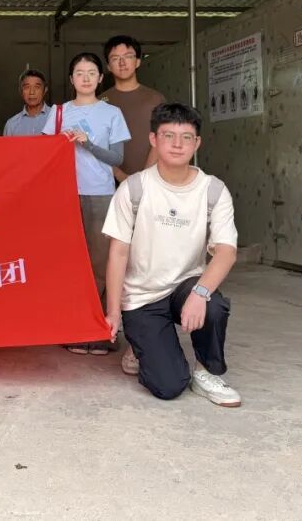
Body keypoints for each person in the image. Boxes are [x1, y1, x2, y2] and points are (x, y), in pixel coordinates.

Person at [102, 102, 241, 407]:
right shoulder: (134, 189)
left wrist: (200, 293)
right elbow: (118, 253)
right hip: (141, 297)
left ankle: (207, 372)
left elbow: (226, 252)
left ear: (197, 143)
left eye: (186, 137)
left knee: (213, 304)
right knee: (168, 385)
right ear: (154, 139)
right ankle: (140, 344)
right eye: (168, 135)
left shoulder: (213, 190)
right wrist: (113, 312)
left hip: (185, 287)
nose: (178, 144)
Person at [42, 52, 130, 355]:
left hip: (101, 193)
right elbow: (43, 153)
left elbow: (117, 158)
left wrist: (87, 143)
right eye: (79, 73)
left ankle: (102, 330)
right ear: (71, 79)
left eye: (92, 73)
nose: (86, 78)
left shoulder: (112, 113)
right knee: (69, 263)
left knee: (100, 263)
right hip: (65, 194)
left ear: (100, 77)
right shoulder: (58, 113)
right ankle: (74, 328)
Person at [101, 35, 165, 182]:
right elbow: (98, 144)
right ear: (108, 66)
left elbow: (162, 137)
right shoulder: (101, 102)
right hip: (111, 181)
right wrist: (119, 174)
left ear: (137, 62)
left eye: (128, 56)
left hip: (152, 179)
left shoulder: (155, 99)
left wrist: (145, 176)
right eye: (115, 58)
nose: (122, 63)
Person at [3, 69, 50, 137]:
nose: (32, 92)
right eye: (27, 87)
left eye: (37, 87)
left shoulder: (56, 118)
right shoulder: (11, 125)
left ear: (45, 90)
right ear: (20, 91)